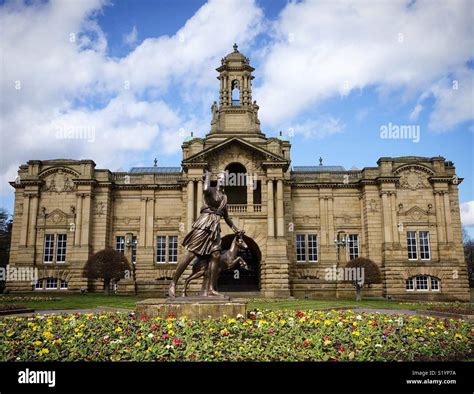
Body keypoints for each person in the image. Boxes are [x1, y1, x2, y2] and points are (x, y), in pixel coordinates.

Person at [168, 170, 244, 297]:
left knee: (216, 255)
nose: (223, 180)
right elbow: (204, 189)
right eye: (221, 178)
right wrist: (207, 177)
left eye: (225, 178)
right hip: (204, 224)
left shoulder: (224, 198)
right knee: (191, 254)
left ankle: (210, 289)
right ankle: (173, 283)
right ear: (217, 179)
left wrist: (236, 229)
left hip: (215, 228)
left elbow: (227, 217)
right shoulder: (211, 190)